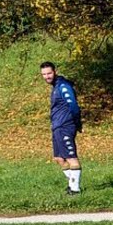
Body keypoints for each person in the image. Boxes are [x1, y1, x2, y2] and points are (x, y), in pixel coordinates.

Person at [40, 62, 83, 196]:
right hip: (57, 127)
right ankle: (71, 184)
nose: (47, 76)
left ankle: (75, 189)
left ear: (55, 71)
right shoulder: (55, 87)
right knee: (59, 158)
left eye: (49, 73)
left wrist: (77, 123)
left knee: (71, 158)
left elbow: (74, 106)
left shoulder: (63, 86)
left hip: (65, 126)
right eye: (44, 74)